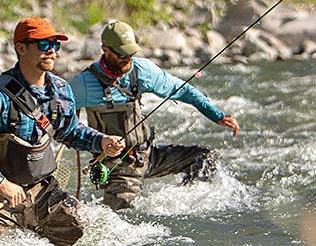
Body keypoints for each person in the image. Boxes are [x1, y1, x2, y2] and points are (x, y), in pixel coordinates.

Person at [0, 17, 125, 246]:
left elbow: (69, 131)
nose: (51, 51)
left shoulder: (60, 89)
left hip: (44, 193)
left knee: (88, 238)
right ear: (21, 48)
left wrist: (101, 142)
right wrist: (0, 182)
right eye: (43, 44)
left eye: (55, 44)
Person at [70, 20, 239, 210]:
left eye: (132, 53)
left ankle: (188, 206)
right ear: (105, 50)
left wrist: (217, 115)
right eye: (122, 54)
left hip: (147, 156)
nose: (128, 59)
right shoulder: (82, 84)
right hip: (117, 168)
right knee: (125, 220)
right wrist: (98, 141)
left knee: (205, 158)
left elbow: (182, 89)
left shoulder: (141, 71)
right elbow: (68, 127)